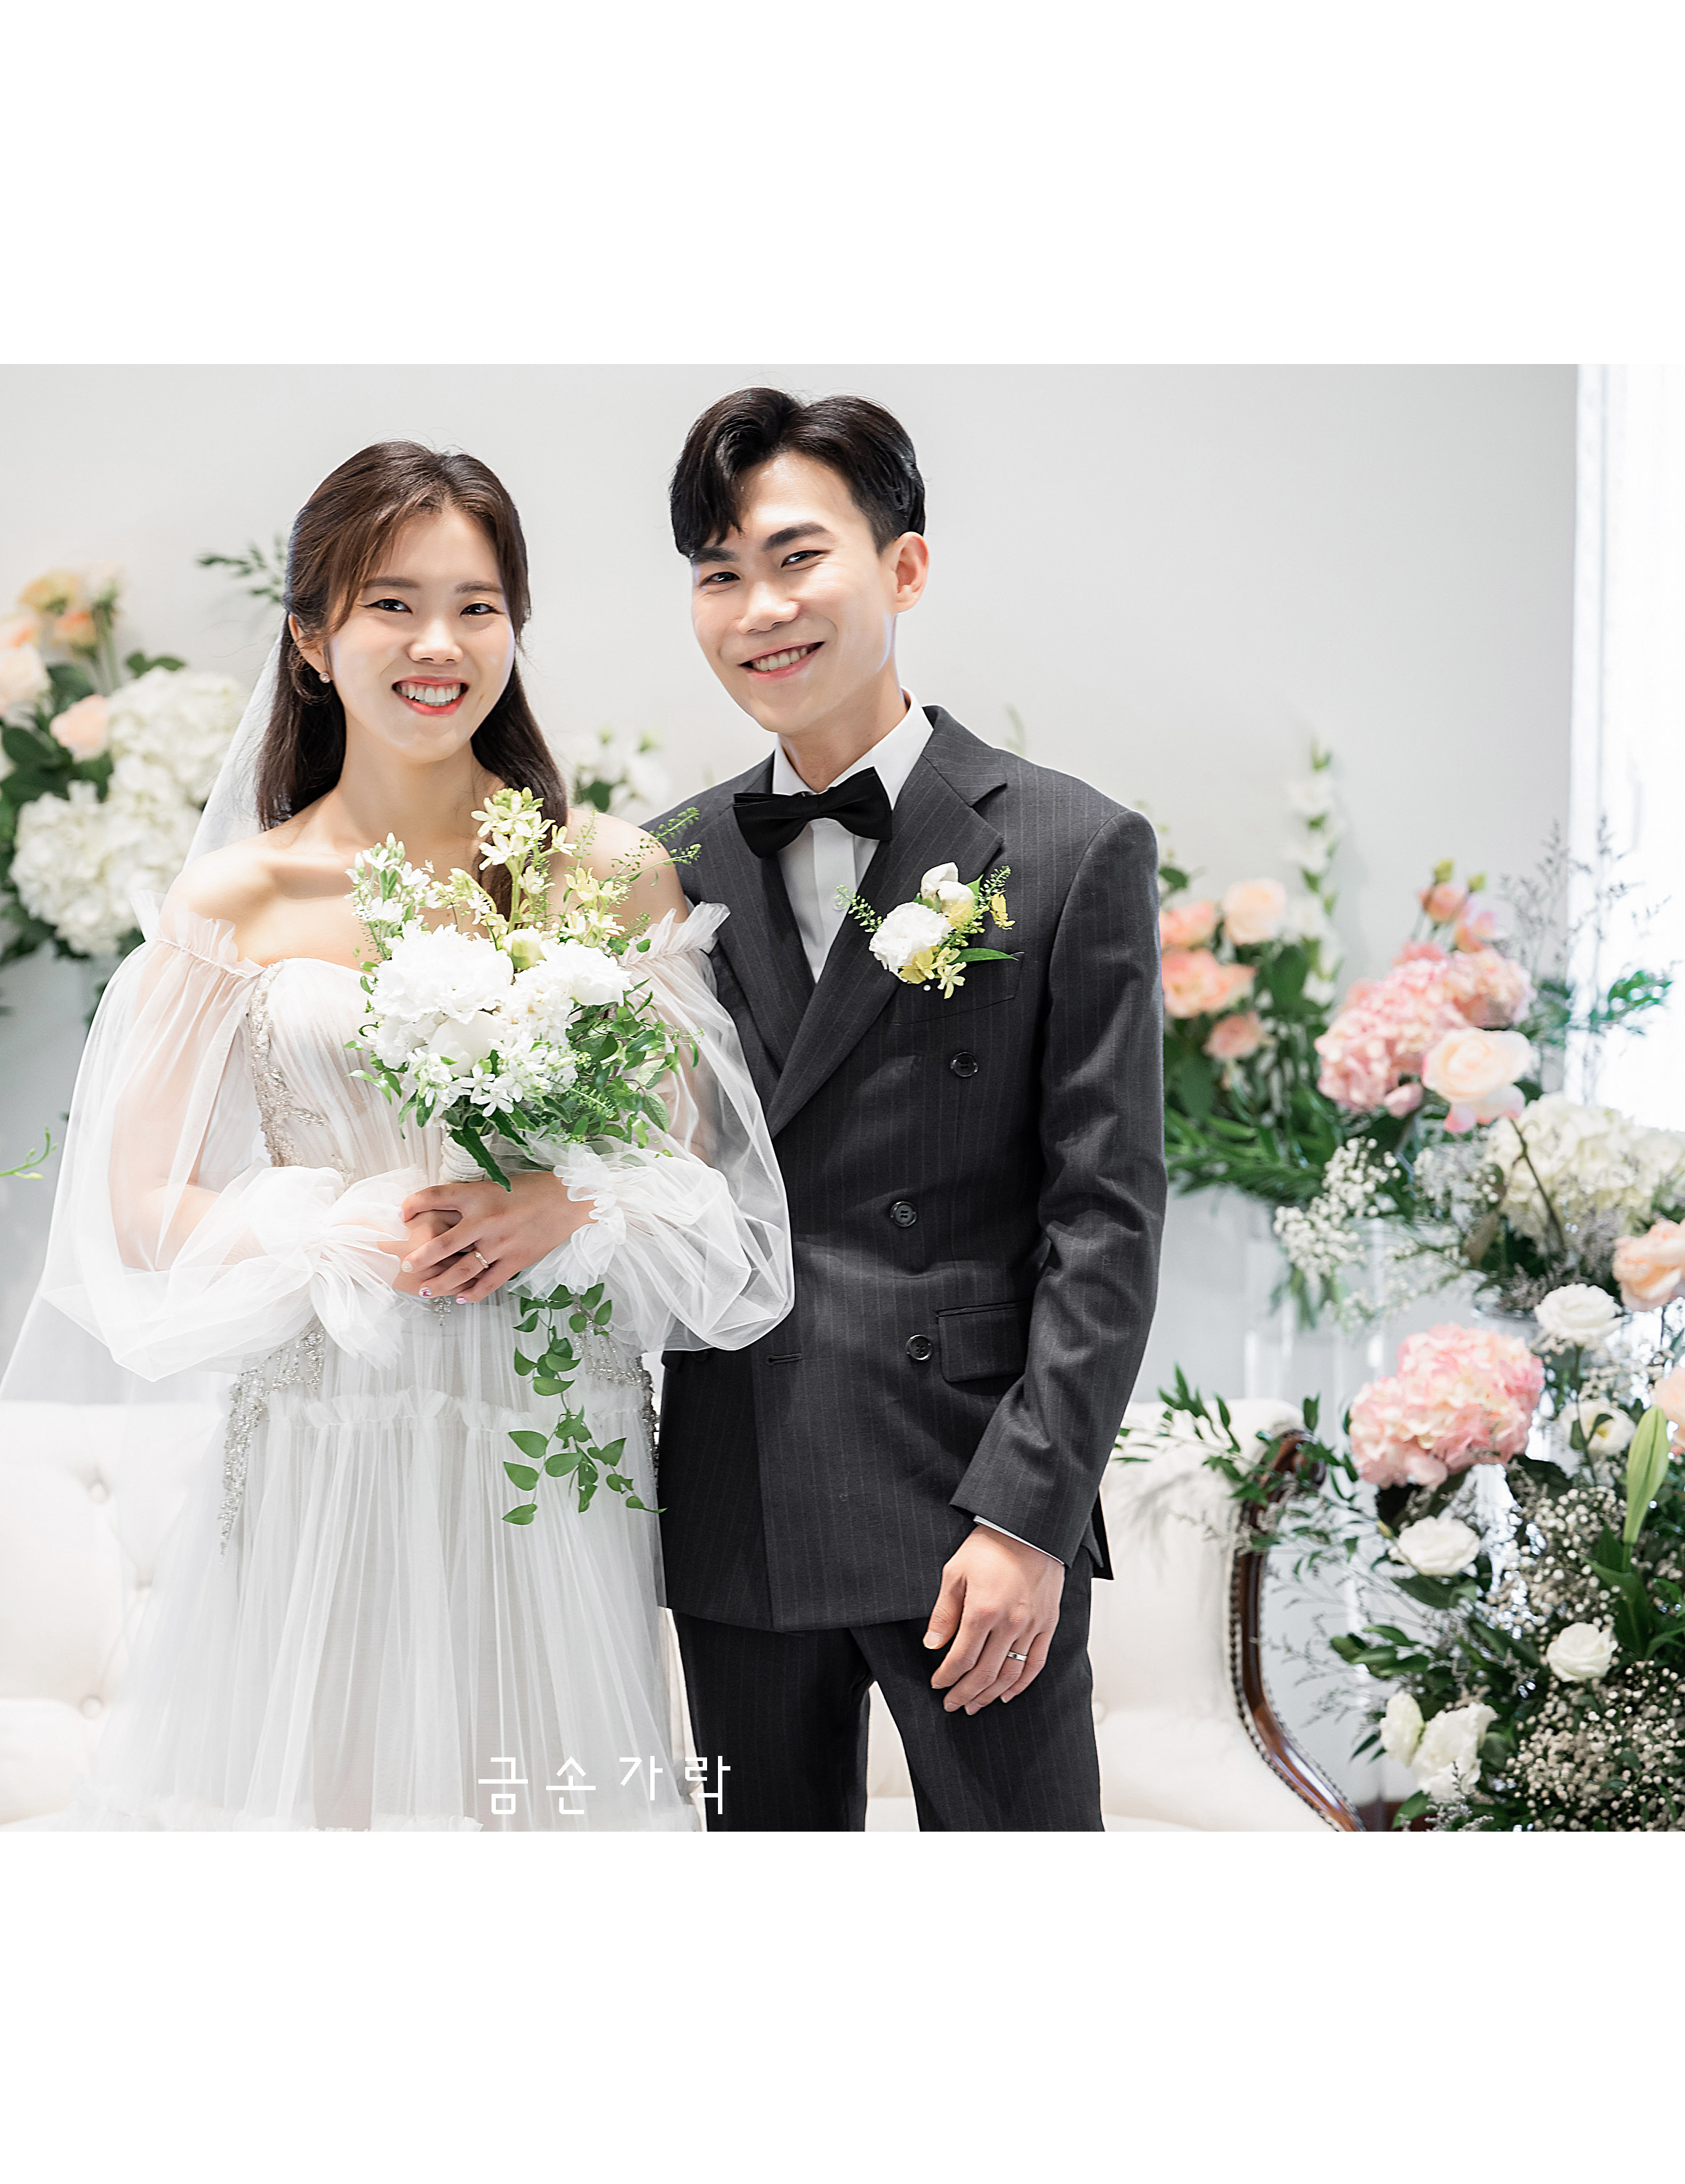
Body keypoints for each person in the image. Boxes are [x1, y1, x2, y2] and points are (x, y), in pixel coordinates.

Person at [9, 440, 792, 1829]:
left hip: (554, 1439)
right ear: (312, 641)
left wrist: (570, 1204)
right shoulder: (236, 900)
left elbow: (699, 1177)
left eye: (477, 606)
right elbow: (139, 1205)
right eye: (392, 604)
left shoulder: (608, 875)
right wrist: (333, 1228)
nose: (440, 644)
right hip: (328, 1433)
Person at [650, 388, 1165, 1830]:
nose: (761, 610)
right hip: (741, 1489)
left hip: (967, 1499)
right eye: (719, 575)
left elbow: (1105, 1221)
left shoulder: (1067, 845)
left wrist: (1028, 1516)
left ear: (906, 566)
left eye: (797, 559)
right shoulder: (662, 863)